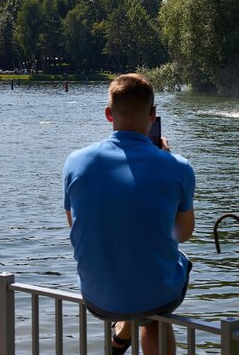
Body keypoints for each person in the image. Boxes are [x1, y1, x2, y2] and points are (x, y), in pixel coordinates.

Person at [63, 73, 195, 355]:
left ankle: (123, 331)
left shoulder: (75, 162)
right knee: (164, 287)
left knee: (142, 268)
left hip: (97, 295)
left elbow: (74, 225)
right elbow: (182, 234)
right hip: (154, 294)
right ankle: (126, 328)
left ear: (109, 114)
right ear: (152, 114)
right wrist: (166, 159)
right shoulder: (178, 167)